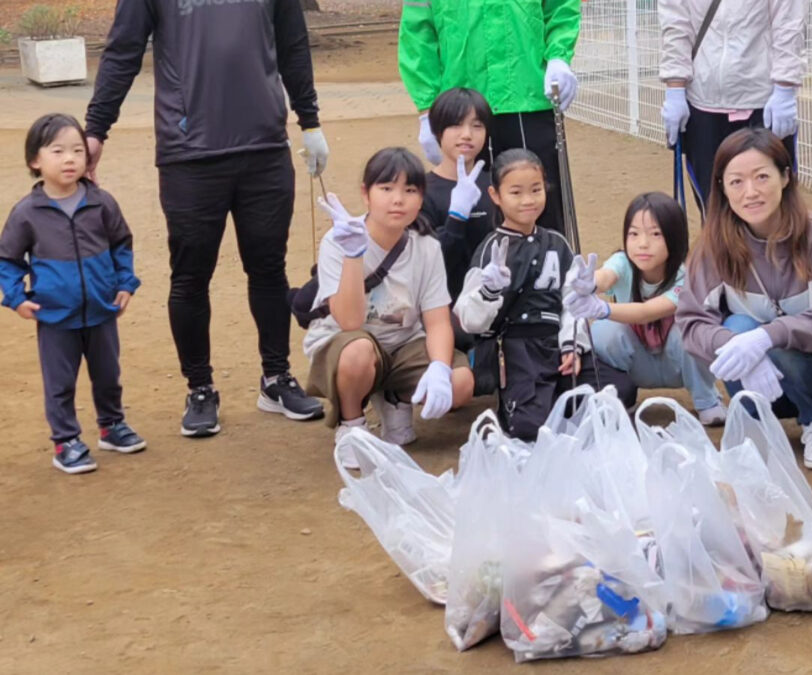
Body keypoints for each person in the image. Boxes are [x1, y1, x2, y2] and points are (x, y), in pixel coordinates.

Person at [85, 0, 331, 437]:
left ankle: (276, 378)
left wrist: (309, 119)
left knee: (269, 269)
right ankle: (200, 387)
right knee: (191, 276)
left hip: (264, 147)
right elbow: (122, 51)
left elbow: (293, 45)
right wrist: (96, 129)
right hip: (189, 154)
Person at [676, 128, 812, 470]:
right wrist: (737, 343)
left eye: (762, 176)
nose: (750, 192)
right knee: (737, 326)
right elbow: (690, 322)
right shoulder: (713, 246)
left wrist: (766, 338)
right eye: (736, 181)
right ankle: (756, 423)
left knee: (764, 335)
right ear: (720, 187)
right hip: (757, 384)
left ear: (786, 176)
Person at [0, 114, 145, 474]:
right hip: (54, 318)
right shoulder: (27, 213)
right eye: (58, 151)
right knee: (60, 383)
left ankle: (111, 426)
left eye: (78, 150)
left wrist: (126, 283)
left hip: (101, 310)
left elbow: (121, 244)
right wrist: (16, 298)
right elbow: (7, 259)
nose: (70, 159)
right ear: (35, 160)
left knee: (109, 375)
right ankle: (65, 441)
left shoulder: (102, 203)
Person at [455, 150, 631, 440]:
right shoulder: (491, 248)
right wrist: (488, 291)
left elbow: (571, 305)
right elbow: (469, 320)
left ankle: (557, 401)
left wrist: (571, 346)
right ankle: (530, 409)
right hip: (514, 348)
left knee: (620, 389)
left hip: (556, 343)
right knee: (528, 427)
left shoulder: (557, 243)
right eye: (516, 192)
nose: (528, 200)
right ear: (495, 195)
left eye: (536, 190)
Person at [303, 148, 474, 446]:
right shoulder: (340, 240)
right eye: (386, 188)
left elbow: (437, 322)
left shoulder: (427, 247)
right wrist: (354, 256)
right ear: (366, 194)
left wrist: (439, 368)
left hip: (404, 344)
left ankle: (393, 397)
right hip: (347, 344)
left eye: (410, 190)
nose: (398, 199)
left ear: (421, 198)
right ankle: (352, 423)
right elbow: (349, 321)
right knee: (357, 350)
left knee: (460, 383)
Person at [398, 0, 581, 238]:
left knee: (537, 205)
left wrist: (559, 56)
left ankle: (548, 269)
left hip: (527, 98)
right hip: (462, 105)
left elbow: (561, 7)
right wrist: (427, 110)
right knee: (472, 212)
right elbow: (417, 32)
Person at [564, 191, 727, 425]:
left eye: (655, 234)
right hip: (636, 359)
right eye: (634, 233)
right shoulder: (623, 262)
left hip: (678, 362)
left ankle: (706, 400)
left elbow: (647, 312)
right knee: (602, 331)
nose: (642, 244)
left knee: (693, 331)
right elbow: (607, 276)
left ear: (675, 237)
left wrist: (603, 309)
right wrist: (590, 282)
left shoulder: (687, 278)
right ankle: (622, 394)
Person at [659, 0, 804, 213]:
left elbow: (789, 24)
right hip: (703, 105)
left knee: (772, 209)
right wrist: (675, 88)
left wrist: (785, 87)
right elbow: (675, 25)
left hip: (763, 105)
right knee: (713, 211)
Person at [418, 88, 497, 351]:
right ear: (437, 131)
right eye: (455, 125)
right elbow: (429, 264)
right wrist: (457, 217)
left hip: (494, 302)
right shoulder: (422, 192)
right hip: (442, 308)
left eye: (477, 125)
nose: (467, 134)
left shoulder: (498, 184)